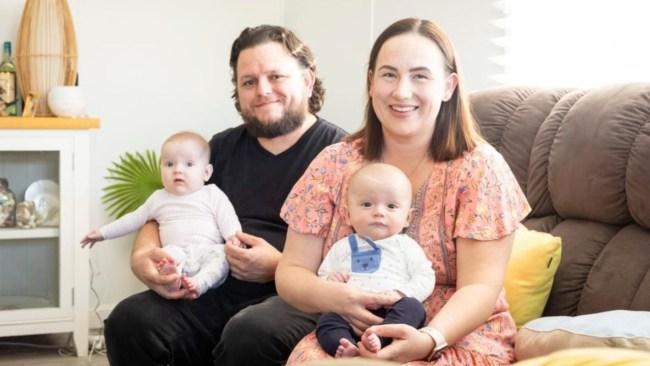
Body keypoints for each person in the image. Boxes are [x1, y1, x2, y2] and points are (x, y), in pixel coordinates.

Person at [277, 17, 531, 365]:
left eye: (420, 76)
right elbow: (291, 272)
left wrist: (429, 339)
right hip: (352, 329)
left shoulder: (480, 169)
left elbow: (480, 288)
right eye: (389, 74)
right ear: (371, 83)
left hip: (455, 334)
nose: (401, 91)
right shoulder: (333, 163)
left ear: (448, 86)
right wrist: (339, 299)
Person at [103, 25, 347, 366]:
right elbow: (167, 205)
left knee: (249, 333)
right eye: (249, 81)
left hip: (296, 297)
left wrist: (279, 267)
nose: (263, 91)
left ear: (307, 80)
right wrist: (142, 255)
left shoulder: (342, 155)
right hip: (214, 282)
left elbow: (361, 253)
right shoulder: (220, 149)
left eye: (276, 76)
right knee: (129, 321)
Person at [81, 132, 241, 298]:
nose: (178, 170)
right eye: (169, 164)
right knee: (165, 257)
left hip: (207, 251)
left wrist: (233, 236)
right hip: (177, 253)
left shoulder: (212, 194)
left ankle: (200, 283)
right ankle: (172, 279)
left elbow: (227, 218)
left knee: (221, 257)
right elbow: (133, 219)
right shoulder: (159, 198)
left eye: (189, 164)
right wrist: (102, 233)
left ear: (206, 173)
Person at [316, 163, 435, 358]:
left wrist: (401, 293)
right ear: (347, 214)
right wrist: (332, 280)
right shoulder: (342, 247)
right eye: (367, 204)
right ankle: (345, 347)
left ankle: (380, 339)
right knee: (327, 321)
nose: (379, 212)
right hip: (349, 312)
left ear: (407, 217)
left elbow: (425, 276)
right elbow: (321, 277)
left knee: (413, 308)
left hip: (392, 311)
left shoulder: (405, 246)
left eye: (391, 206)